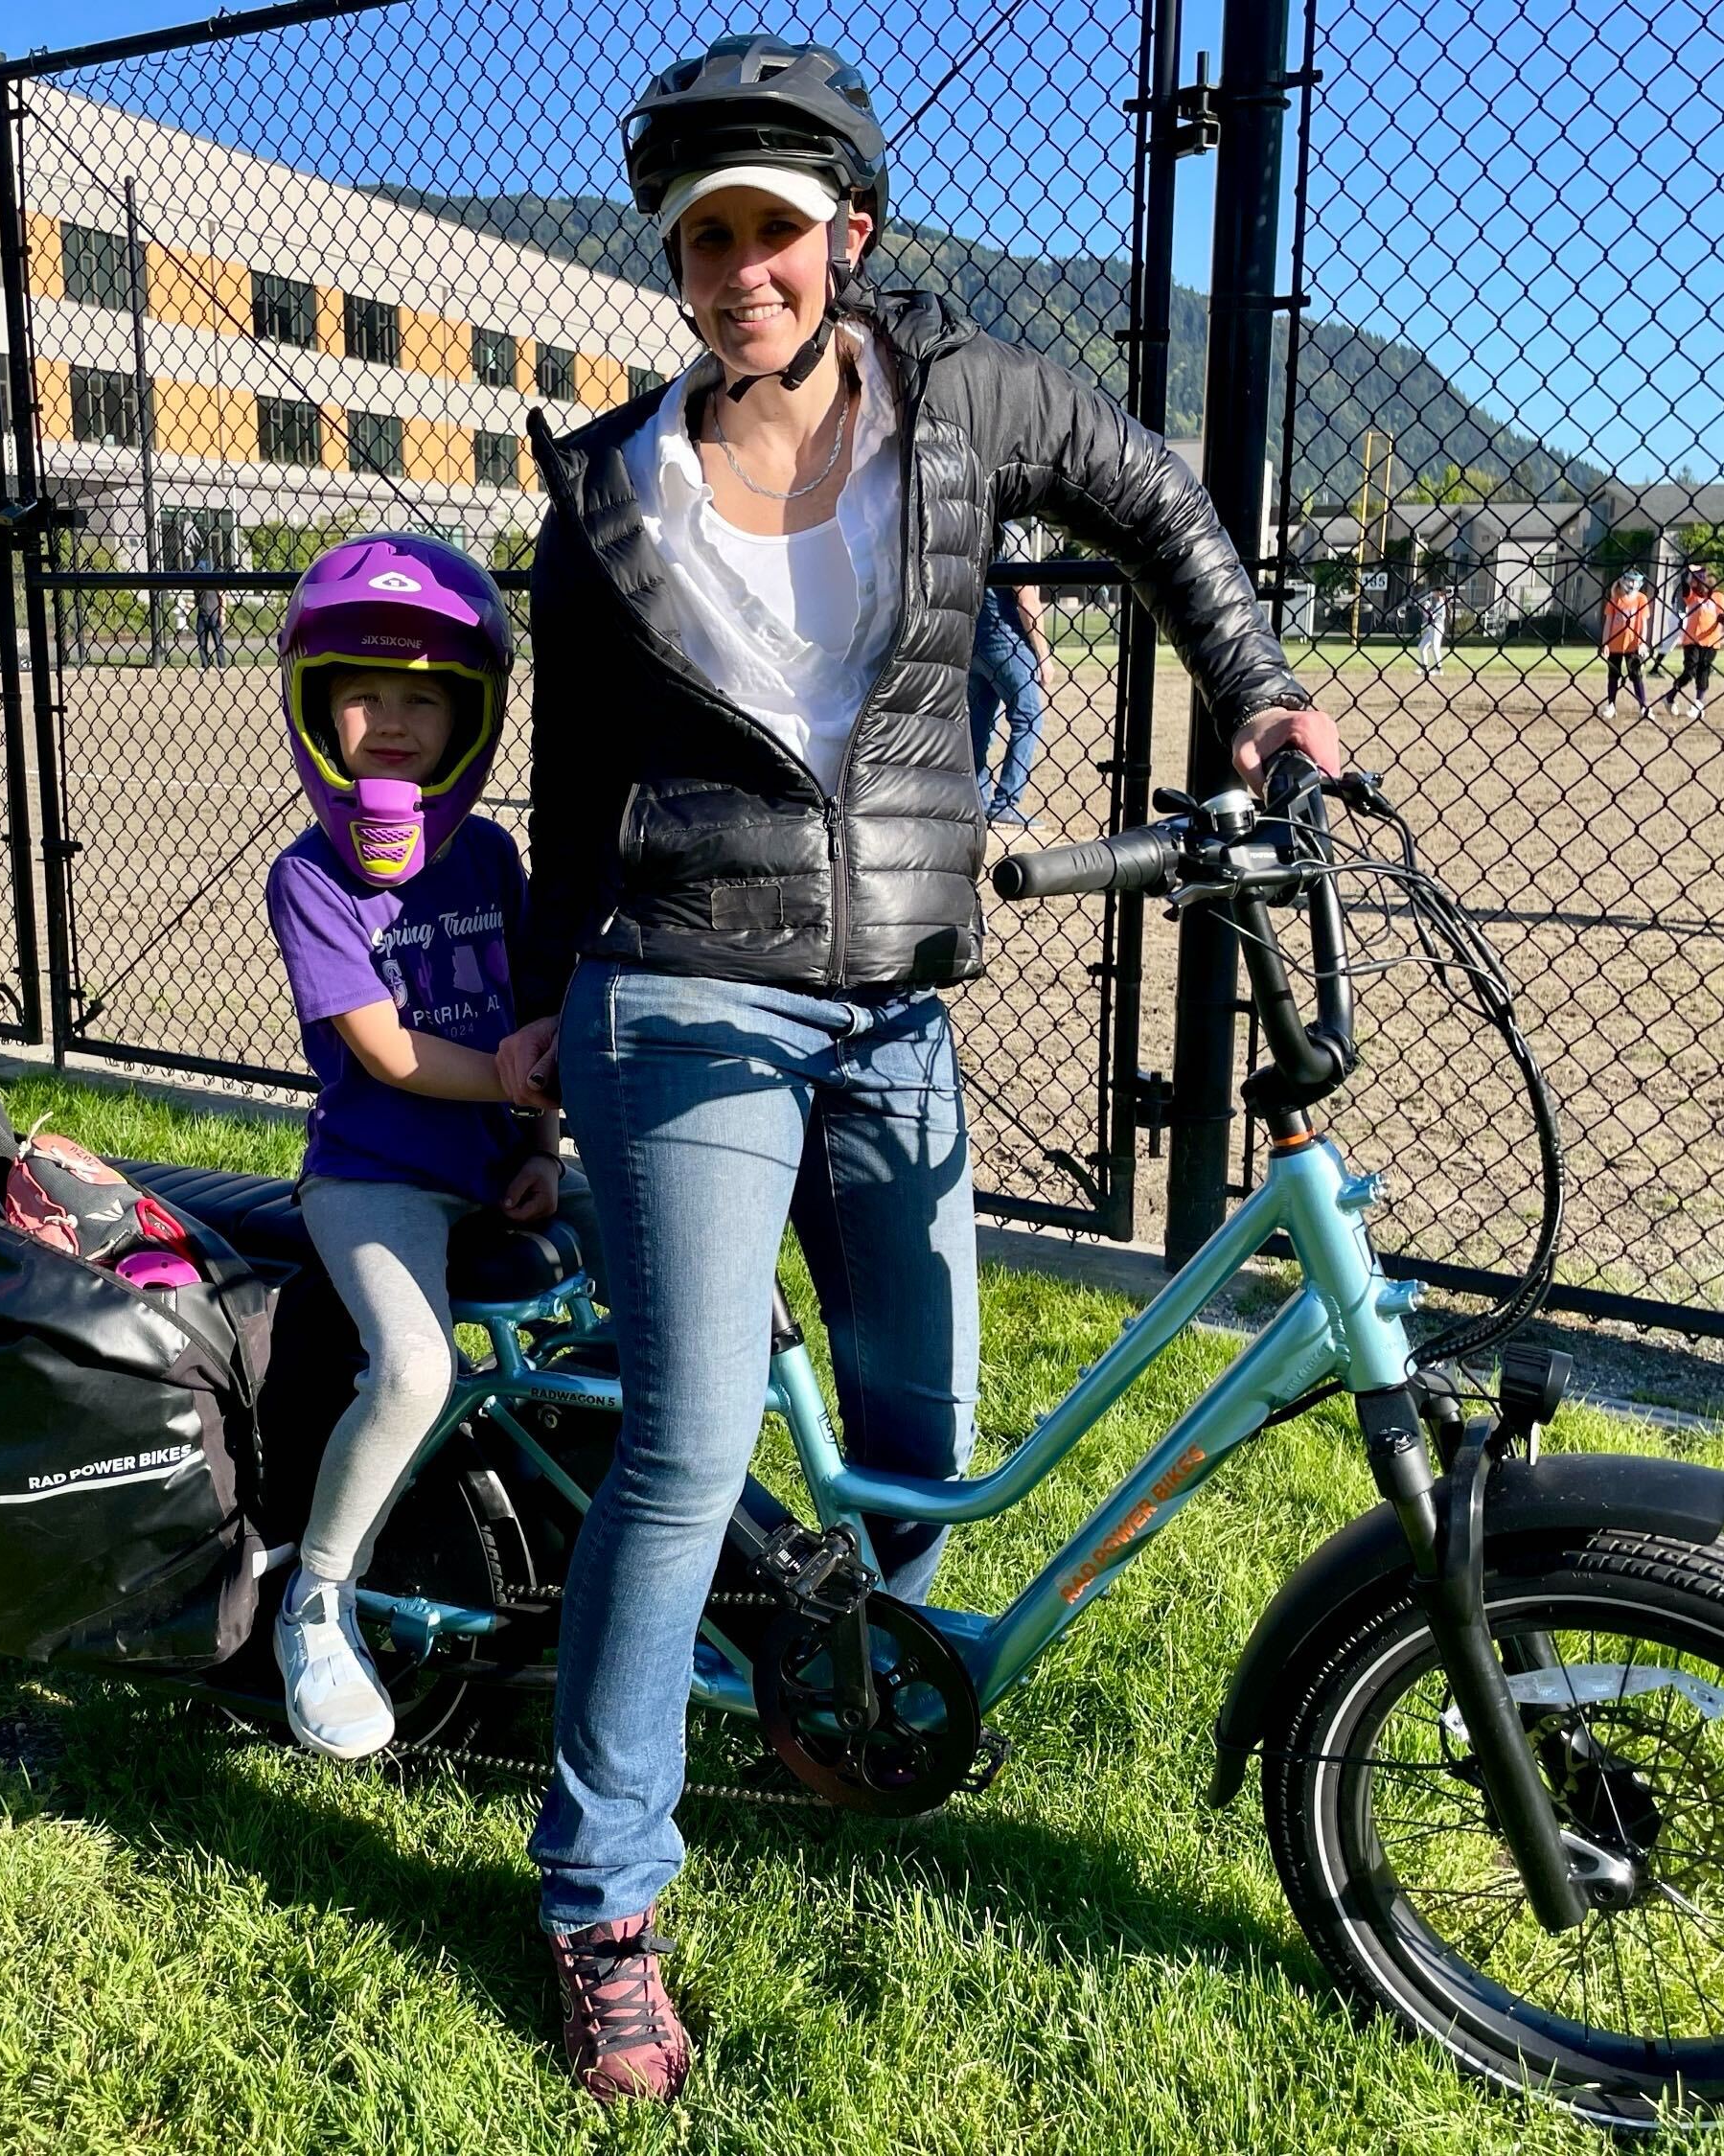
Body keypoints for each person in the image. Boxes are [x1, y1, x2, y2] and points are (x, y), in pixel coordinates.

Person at [492, 35, 1338, 2103]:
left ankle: (839, 1697)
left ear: (845, 235)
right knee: (694, 1439)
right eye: (704, 237)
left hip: (896, 999)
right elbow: (575, 786)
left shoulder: (961, 397)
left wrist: (1260, 690)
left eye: (772, 226)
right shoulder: (607, 489)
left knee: (921, 1413)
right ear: (679, 264)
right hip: (680, 991)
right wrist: (533, 1020)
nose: (738, 266)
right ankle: (600, 1895)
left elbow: (1150, 491)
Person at [260, 534, 592, 1758]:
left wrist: (543, 1143)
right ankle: (320, 1599)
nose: (391, 723)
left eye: (422, 699)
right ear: (316, 708)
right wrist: (508, 1078)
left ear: (469, 717)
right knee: (412, 1371)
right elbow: (390, 1056)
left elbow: (527, 1016)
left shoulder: (491, 853)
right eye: (363, 694)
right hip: (372, 1174)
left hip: (490, 1160)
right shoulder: (310, 878)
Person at [966, 518, 1050, 825]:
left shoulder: (972, 527)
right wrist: (1043, 654)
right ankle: (1006, 801)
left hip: (972, 642)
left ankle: (978, 797)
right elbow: (1026, 599)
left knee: (978, 724)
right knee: (1028, 716)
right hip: (1007, 640)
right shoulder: (1012, 533)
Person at [1666, 562, 1724, 719]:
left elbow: (1721, 616)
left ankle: (1698, 704)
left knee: (1703, 672)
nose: (1700, 586)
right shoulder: (1693, 595)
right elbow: (1684, 586)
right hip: (1692, 640)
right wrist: (1687, 572)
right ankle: (1670, 697)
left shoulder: (1718, 597)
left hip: (1711, 642)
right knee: (1689, 672)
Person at [1598, 569, 1654, 721]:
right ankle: (1611, 705)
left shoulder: (1641, 599)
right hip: (1615, 644)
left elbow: (1644, 624)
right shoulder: (1616, 598)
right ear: (1623, 581)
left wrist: (1642, 643)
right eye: (1629, 580)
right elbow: (1608, 622)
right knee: (1613, 676)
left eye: (1635, 581)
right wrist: (1605, 643)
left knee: (1636, 676)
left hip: (1633, 645)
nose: (1632, 584)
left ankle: (1643, 706)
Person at [1414, 583, 1451, 676]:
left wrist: (1425, 609)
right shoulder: (1437, 603)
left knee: (1435, 647)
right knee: (1422, 646)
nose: (1432, 593)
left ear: (1439, 593)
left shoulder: (1441, 603)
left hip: (1437, 626)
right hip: (1431, 627)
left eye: (1434, 591)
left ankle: (1438, 669)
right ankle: (1424, 667)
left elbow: (1432, 616)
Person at [195, 583, 227, 668]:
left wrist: (222, 614)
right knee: (202, 643)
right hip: (202, 616)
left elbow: (222, 597)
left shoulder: (213, 583)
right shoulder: (197, 587)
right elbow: (197, 602)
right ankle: (205, 665)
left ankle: (222, 665)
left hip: (214, 616)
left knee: (218, 642)